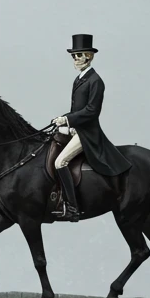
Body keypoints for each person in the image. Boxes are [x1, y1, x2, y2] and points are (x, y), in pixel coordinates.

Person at [50, 34, 133, 220]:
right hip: (76, 129)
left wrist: (67, 119)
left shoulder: (96, 81)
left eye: (79, 55)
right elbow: (76, 109)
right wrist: (65, 122)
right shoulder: (79, 79)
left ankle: (72, 206)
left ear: (89, 56)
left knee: (59, 162)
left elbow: (91, 111)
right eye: (73, 56)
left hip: (87, 133)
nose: (75, 59)